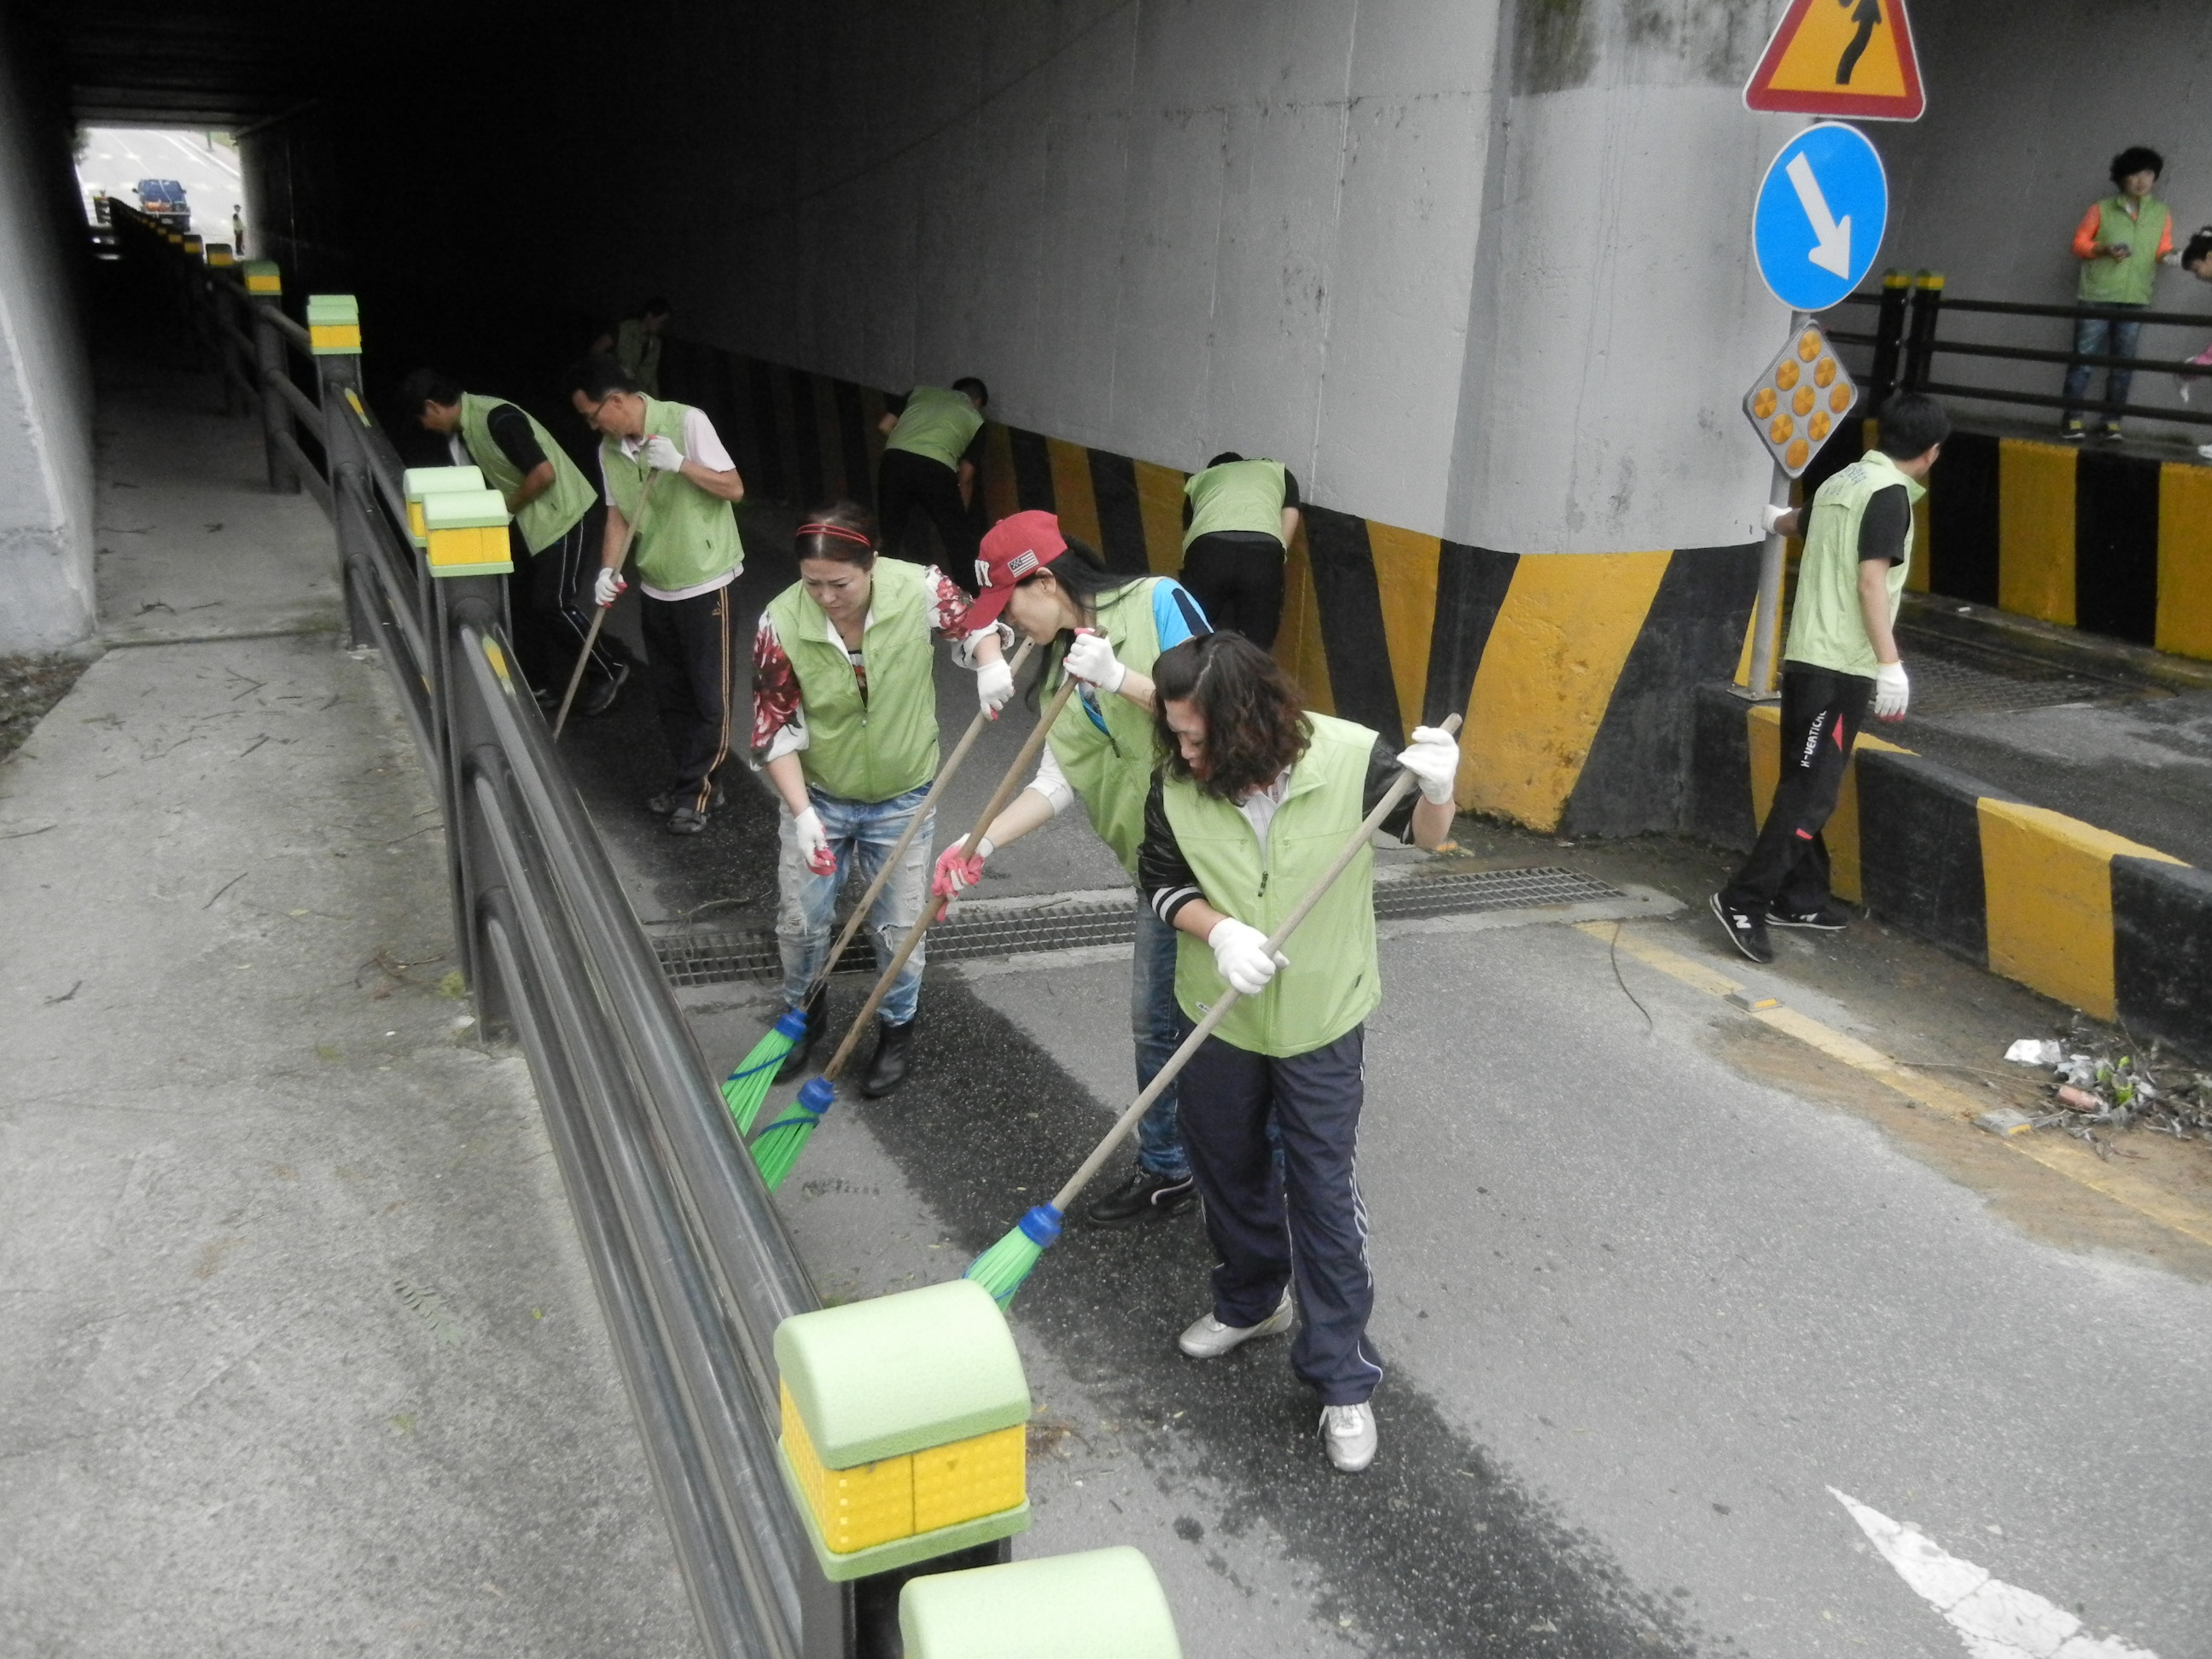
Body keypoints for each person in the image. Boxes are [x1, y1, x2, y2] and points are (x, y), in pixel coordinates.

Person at [1136, 632, 1461, 1474]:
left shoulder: (1350, 759)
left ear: (1248, 724)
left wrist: (1440, 788)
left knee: (1320, 1189)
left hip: (1322, 1016)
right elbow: (1163, 883)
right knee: (1227, 1167)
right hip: (1220, 1013)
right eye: (1175, 733)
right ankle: (1250, 1299)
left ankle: (1342, 1379)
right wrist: (1222, 930)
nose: (1184, 751)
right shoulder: (1175, 781)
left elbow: (1428, 836)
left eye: (1200, 736)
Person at [930, 510, 1212, 1225]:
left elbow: (1224, 715)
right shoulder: (1059, 664)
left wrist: (1120, 677)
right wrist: (979, 841)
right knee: (1155, 1025)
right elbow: (1058, 782)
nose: (1013, 625)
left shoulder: (1156, 603)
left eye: (1011, 606)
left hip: (1225, 859)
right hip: (1158, 869)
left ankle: (1255, 1178)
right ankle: (1170, 1170)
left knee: (1233, 1027)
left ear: (1046, 580)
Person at [753, 502, 1009, 1096]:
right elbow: (774, 728)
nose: (825, 596)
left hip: (904, 797)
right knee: (801, 923)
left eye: (839, 583)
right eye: (811, 583)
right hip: (820, 796)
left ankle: (896, 1033)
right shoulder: (780, 621)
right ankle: (801, 1026)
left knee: (897, 930)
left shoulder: (919, 588)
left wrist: (990, 665)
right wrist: (803, 815)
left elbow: (975, 626)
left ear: (872, 564)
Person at [1711, 393, 1950, 965]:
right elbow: (1872, 583)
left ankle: (1800, 896)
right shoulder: (1890, 496)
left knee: (1805, 779)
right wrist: (1891, 664)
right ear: (1932, 453)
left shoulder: (1845, 479)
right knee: (1812, 793)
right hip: (1841, 665)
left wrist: (1773, 520)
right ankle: (1743, 898)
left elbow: (1798, 522)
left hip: (1805, 658)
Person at [568, 354, 748, 834]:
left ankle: (698, 793)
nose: (592, 426)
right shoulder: (609, 451)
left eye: (593, 415)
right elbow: (617, 515)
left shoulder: (687, 422)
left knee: (711, 697)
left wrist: (681, 463)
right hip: (657, 581)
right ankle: (692, 780)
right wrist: (607, 571)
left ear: (619, 401)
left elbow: (733, 488)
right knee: (671, 695)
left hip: (707, 578)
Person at [399, 368, 630, 717]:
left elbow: (544, 474)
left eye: (422, 420)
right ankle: (538, 682)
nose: (426, 429)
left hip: (563, 514)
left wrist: (504, 509)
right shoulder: (466, 427)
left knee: (552, 602)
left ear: (432, 407)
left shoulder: (497, 417)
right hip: (532, 523)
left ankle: (608, 669)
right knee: (520, 598)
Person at [2061, 147, 2180, 441]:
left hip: (2137, 296)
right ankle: (2072, 419)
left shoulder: (2161, 213)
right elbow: (2078, 245)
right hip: (2097, 293)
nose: (2142, 180)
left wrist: (2174, 256)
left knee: (2124, 364)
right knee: (2083, 360)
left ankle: (2111, 421)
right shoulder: (2100, 209)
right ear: (2121, 178)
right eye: (2135, 174)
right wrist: (2102, 248)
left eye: (2149, 174)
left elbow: (2162, 248)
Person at [1179, 452, 1301, 648]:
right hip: (1262, 552)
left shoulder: (1202, 480)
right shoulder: (1279, 472)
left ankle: (1192, 673)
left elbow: (1188, 536)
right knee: (1256, 645)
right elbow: (1290, 517)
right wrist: (1274, 562)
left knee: (1191, 637)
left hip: (1208, 551)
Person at [876, 380, 988, 573]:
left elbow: (884, 425)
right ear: (977, 401)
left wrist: (909, 446)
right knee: (957, 540)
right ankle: (969, 592)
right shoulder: (976, 419)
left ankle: (879, 583)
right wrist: (961, 514)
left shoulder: (918, 392)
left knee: (889, 534)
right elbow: (966, 476)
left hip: (894, 461)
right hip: (937, 468)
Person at [612, 298, 672, 398]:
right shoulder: (624, 329)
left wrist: (656, 403)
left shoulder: (655, 343)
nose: (662, 327)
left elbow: (652, 377)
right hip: (616, 390)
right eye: (661, 322)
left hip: (638, 396)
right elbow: (597, 352)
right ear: (649, 316)